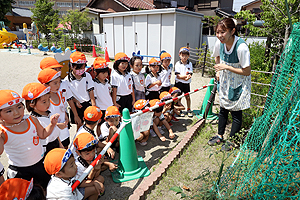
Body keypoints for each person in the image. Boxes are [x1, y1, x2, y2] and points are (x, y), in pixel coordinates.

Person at [0, 90, 59, 189]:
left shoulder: (31, 120)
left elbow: (43, 134)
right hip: (20, 170)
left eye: (19, 107)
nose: (16, 113)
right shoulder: (3, 131)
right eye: (9, 110)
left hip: (39, 164)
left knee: (45, 189)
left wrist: (52, 125)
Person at [207, 18, 251, 151]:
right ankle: (220, 136)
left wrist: (226, 67)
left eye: (223, 32)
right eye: (217, 32)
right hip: (225, 81)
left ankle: (232, 141)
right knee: (223, 109)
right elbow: (217, 57)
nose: (220, 35)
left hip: (239, 82)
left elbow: (247, 71)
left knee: (236, 113)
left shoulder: (241, 47)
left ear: (232, 31)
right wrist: (219, 72)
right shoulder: (219, 43)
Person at [23, 83, 63, 156]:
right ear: (32, 104)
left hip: (55, 143)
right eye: (44, 102)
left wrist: (60, 143)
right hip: (46, 148)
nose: (48, 103)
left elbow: (55, 131)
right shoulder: (34, 120)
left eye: (48, 100)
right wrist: (52, 124)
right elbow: (43, 135)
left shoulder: (48, 113)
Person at [76, 106, 117, 171]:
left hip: (80, 155)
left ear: (84, 119)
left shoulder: (83, 128)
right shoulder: (87, 134)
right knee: (103, 165)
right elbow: (89, 154)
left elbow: (97, 142)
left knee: (103, 146)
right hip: (81, 161)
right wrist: (108, 164)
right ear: (99, 120)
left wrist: (108, 148)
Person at [38, 68, 70, 149]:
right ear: (46, 85)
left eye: (59, 82)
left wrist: (66, 118)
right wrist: (58, 125)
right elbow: (45, 120)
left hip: (64, 131)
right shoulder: (45, 101)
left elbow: (63, 108)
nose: (58, 85)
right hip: (55, 135)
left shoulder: (59, 93)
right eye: (55, 83)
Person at [65, 51, 96, 130]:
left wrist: (94, 107)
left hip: (87, 104)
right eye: (78, 68)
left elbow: (91, 92)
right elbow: (69, 98)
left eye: (83, 67)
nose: (81, 70)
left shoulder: (87, 76)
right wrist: (75, 114)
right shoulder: (67, 80)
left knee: (90, 125)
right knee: (80, 125)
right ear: (71, 66)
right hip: (76, 107)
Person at [73, 132, 105, 197]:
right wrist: (94, 183)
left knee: (100, 178)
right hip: (78, 187)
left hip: (87, 180)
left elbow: (95, 176)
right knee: (95, 189)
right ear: (78, 153)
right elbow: (79, 183)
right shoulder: (78, 166)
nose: (91, 155)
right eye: (87, 153)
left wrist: (97, 168)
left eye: (93, 151)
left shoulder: (93, 156)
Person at [92, 57, 113, 133]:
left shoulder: (107, 81)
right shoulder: (94, 84)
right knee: (100, 124)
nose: (105, 75)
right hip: (101, 108)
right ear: (95, 72)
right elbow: (93, 97)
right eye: (102, 73)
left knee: (110, 123)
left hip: (109, 106)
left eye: (106, 72)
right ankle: (101, 138)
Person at [174, 47, 193, 117]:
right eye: (183, 55)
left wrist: (187, 77)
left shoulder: (190, 63)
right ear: (179, 55)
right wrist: (186, 77)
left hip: (186, 83)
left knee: (187, 96)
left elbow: (190, 74)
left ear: (188, 56)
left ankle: (188, 109)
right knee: (179, 97)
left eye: (186, 56)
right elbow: (178, 76)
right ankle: (179, 110)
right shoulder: (177, 64)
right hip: (179, 83)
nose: (184, 57)